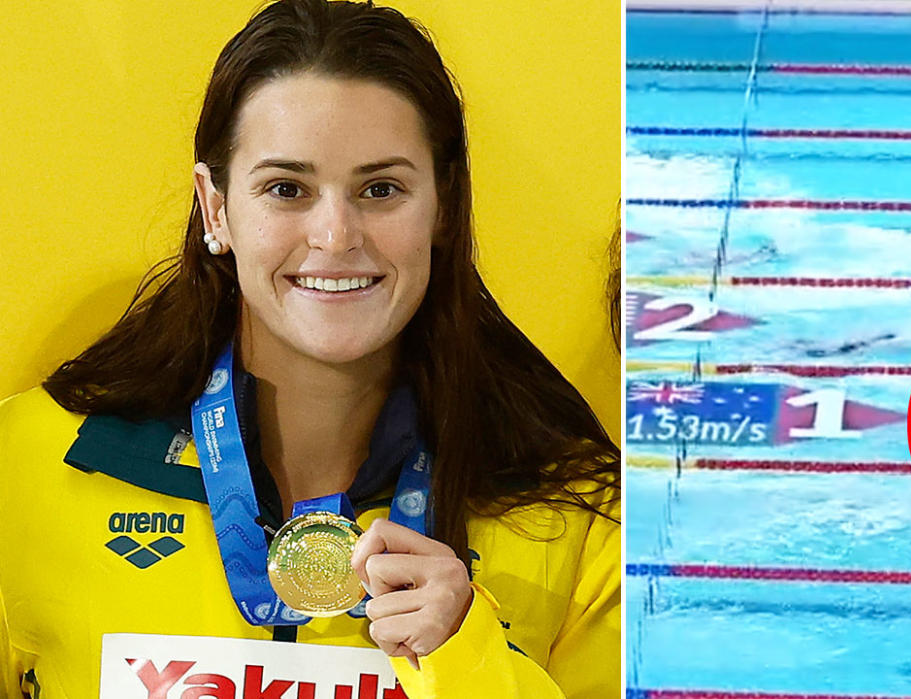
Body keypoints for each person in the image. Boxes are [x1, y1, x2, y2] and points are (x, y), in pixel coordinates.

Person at [0, 1, 619, 698]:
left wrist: (471, 658)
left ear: (443, 204)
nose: (335, 234)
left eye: (380, 189)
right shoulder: (22, 467)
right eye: (286, 188)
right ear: (215, 206)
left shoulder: (575, 515)